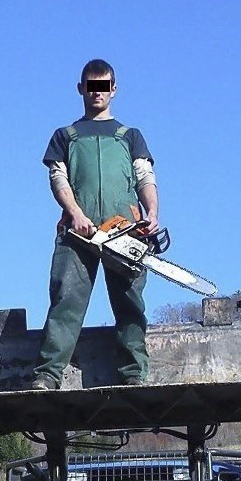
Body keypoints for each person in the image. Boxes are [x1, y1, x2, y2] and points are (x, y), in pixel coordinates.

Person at [31, 58, 159, 390]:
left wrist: (152, 214)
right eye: (91, 85)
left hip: (125, 231)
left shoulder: (129, 136)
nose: (97, 92)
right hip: (78, 232)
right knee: (66, 299)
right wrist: (74, 213)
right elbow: (58, 177)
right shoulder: (66, 136)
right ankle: (48, 374)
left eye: (103, 85)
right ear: (81, 89)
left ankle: (134, 373)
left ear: (113, 90)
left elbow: (145, 177)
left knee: (130, 302)